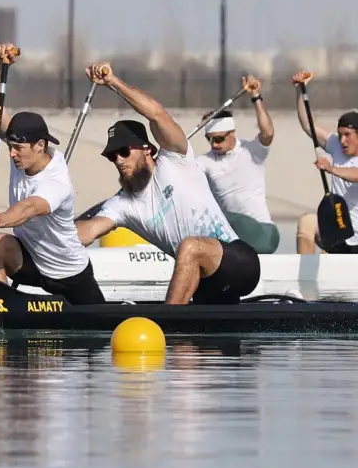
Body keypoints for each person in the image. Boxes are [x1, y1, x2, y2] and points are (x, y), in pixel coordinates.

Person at [74, 61, 261, 305]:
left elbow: (156, 113)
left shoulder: (175, 157)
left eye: (123, 151)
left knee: (190, 246)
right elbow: (88, 232)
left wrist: (113, 82)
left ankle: (165, 327)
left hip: (239, 263)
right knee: (190, 343)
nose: (118, 160)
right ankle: (178, 338)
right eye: (112, 156)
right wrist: (46, 230)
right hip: (203, 284)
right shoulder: (122, 204)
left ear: (147, 149)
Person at [0, 43, 106, 305]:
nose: (11, 154)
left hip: (68, 272)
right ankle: (2, 308)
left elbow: (29, 208)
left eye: (18, 149)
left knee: (95, 336)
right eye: (10, 146)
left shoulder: (57, 182)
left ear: (40, 146)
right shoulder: (23, 154)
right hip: (30, 261)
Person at [291, 70, 358, 254]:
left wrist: (331, 168)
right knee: (307, 222)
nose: (343, 141)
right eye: (340, 135)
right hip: (341, 235)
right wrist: (300, 90)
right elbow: (308, 125)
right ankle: (305, 281)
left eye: (348, 135)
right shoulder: (337, 145)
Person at [196, 74, 280, 254]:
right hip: (235, 236)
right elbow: (181, 169)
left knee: (219, 219)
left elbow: (267, 131)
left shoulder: (251, 151)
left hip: (263, 233)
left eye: (218, 139)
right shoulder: (206, 162)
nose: (214, 145)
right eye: (209, 139)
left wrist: (256, 96)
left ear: (232, 132)